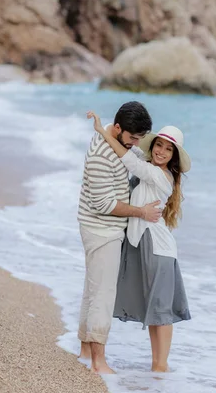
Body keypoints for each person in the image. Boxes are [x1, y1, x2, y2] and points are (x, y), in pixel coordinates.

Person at [87, 110, 191, 373]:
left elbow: (129, 160)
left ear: (174, 157)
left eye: (168, 150)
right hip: (146, 244)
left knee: (161, 312)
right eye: (159, 145)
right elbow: (129, 150)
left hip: (158, 249)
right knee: (155, 311)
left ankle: (161, 367)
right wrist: (111, 127)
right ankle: (157, 367)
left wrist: (101, 131)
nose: (161, 152)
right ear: (153, 145)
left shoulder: (160, 176)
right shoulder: (150, 167)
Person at [78, 101, 162, 374]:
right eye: (132, 138)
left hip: (99, 226)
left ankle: (85, 349)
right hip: (101, 227)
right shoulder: (102, 155)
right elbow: (104, 204)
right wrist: (141, 212)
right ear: (117, 129)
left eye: (139, 138)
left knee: (93, 287)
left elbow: (134, 155)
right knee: (103, 293)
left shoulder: (115, 141)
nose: (136, 144)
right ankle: (98, 362)